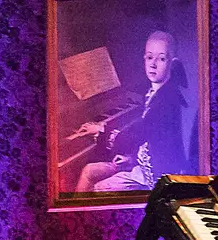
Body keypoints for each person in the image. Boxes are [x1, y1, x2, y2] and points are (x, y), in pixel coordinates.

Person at [75, 30, 193, 192]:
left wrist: (101, 129)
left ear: (172, 63)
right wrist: (130, 158)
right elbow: (151, 138)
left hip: (155, 176)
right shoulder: (157, 92)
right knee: (89, 171)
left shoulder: (166, 100)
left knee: (98, 189)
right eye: (150, 57)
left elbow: (133, 135)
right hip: (141, 163)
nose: (153, 64)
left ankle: (83, 216)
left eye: (162, 59)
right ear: (144, 59)